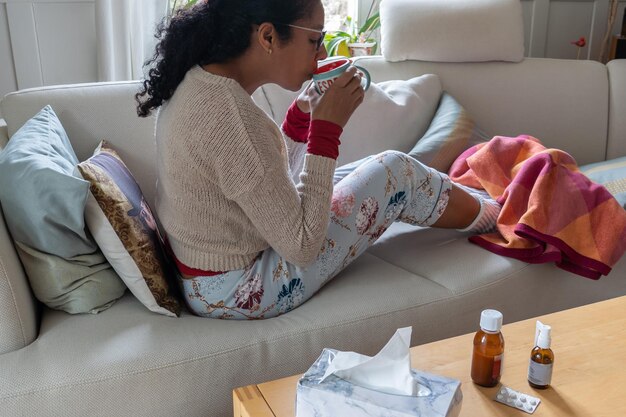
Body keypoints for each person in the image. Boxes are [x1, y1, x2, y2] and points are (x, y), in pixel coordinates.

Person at [135, 0, 501, 319]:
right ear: (267, 37)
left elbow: (261, 182)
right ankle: (499, 217)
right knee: (395, 171)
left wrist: (301, 118)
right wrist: (326, 131)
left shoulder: (200, 86)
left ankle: (482, 205)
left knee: (364, 170)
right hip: (237, 292)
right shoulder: (230, 119)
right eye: (314, 39)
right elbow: (302, 246)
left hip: (209, 280)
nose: (322, 55)